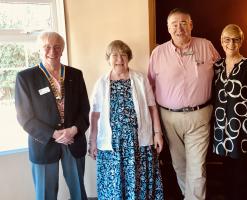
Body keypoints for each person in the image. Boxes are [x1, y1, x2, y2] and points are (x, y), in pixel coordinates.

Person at [148, 8, 220, 200]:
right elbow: (149, 89)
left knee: (196, 167)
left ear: (191, 25)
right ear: (168, 28)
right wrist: (155, 128)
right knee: (179, 165)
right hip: (169, 118)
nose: (179, 28)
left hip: (200, 116)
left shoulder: (206, 46)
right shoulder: (158, 53)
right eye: (174, 24)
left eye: (183, 23)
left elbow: (223, 75)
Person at [15, 31, 90, 200]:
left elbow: (84, 109)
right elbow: (25, 117)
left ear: (62, 50)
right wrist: (54, 134)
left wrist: (73, 130)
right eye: (47, 47)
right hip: (44, 143)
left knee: (79, 192)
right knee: (45, 194)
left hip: (73, 139)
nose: (52, 51)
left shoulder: (75, 75)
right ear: (39, 50)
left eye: (57, 47)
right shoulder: (25, 78)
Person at [88, 40, 164, 200]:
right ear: (108, 58)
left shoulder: (140, 79)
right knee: (113, 184)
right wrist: (92, 141)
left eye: (123, 55)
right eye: (115, 55)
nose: (119, 59)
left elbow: (152, 107)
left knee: (138, 182)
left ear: (129, 57)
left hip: (137, 142)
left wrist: (157, 133)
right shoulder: (101, 82)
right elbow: (94, 114)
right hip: (111, 144)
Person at [212, 24, 247, 200]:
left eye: (236, 39)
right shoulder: (217, 66)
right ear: (221, 41)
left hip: (242, 130)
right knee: (226, 173)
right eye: (227, 39)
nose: (231, 43)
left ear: (241, 41)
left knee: (241, 174)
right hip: (221, 129)